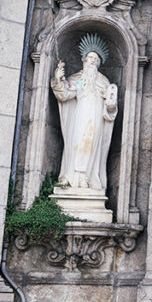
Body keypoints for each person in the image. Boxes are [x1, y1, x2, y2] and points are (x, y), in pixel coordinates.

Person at [51, 34, 118, 192]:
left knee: (91, 147)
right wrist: (59, 79)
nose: (92, 62)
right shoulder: (79, 80)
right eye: (90, 58)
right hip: (79, 118)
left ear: (99, 63)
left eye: (95, 60)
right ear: (84, 60)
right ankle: (71, 178)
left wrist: (110, 105)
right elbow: (65, 94)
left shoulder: (103, 82)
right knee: (76, 144)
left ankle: (86, 178)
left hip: (95, 120)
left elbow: (110, 108)